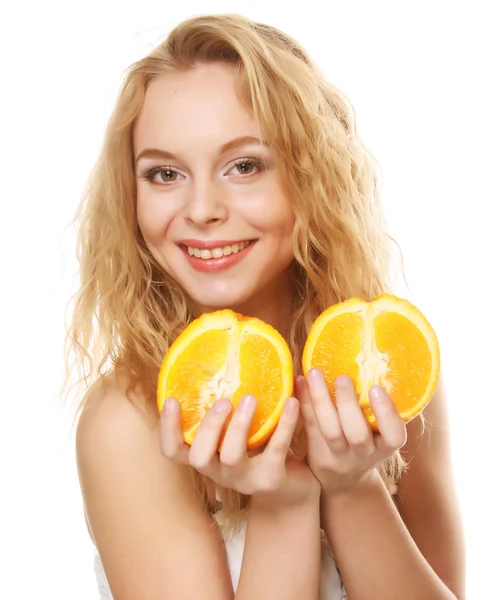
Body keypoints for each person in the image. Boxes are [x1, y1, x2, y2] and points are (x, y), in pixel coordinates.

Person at [65, 12, 465, 600]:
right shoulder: (129, 422)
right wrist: (286, 502)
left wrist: (354, 487)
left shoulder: (388, 363)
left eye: (244, 165)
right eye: (165, 173)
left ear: (313, 175)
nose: (201, 208)